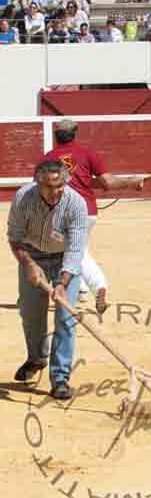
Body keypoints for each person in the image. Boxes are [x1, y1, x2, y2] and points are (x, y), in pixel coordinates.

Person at [41, 119, 144, 315]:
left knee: (73, 252)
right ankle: (83, 289)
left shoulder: (48, 159)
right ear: (75, 134)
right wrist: (131, 182)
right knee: (77, 250)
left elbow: (41, 189)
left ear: (56, 135)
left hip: (61, 212)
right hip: (87, 211)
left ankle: (97, 287)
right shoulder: (87, 155)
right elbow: (105, 182)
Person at [8, 160, 88, 400]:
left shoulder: (76, 203)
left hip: (64, 260)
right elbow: (14, 237)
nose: (54, 192)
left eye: (59, 186)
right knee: (30, 312)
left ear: (65, 182)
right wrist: (29, 264)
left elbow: (75, 249)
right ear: (37, 183)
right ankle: (36, 358)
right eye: (48, 186)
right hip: (31, 255)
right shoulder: (23, 198)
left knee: (66, 318)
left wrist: (62, 284)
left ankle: (60, 377)